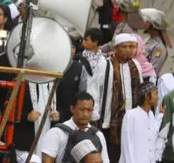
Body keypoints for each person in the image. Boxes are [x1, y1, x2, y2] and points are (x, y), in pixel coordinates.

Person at [89, 33, 143, 162]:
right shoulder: (105, 64)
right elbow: (94, 88)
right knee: (112, 153)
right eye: (125, 47)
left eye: (132, 47)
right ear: (116, 48)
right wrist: (94, 111)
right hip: (109, 119)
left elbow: (140, 90)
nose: (129, 50)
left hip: (130, 118)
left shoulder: (135, 65)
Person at [40, 92, 109, 162]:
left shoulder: (98, 135)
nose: (85, 114)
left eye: (89, 110)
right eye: (82, 110)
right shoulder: (56, 133)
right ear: (72, 109)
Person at [119, 81, 160, 163]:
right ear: (147, 96)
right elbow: (127, 145)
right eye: (156, 94)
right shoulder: (131, 115)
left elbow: (153, 139)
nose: (158, 97)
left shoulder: (151, 115)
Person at [140, 8, 170, 77]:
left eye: (146, 21)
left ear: (153, 25)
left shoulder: (159, 48)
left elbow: (152, 71)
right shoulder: (147, 40)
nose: (143, 22)